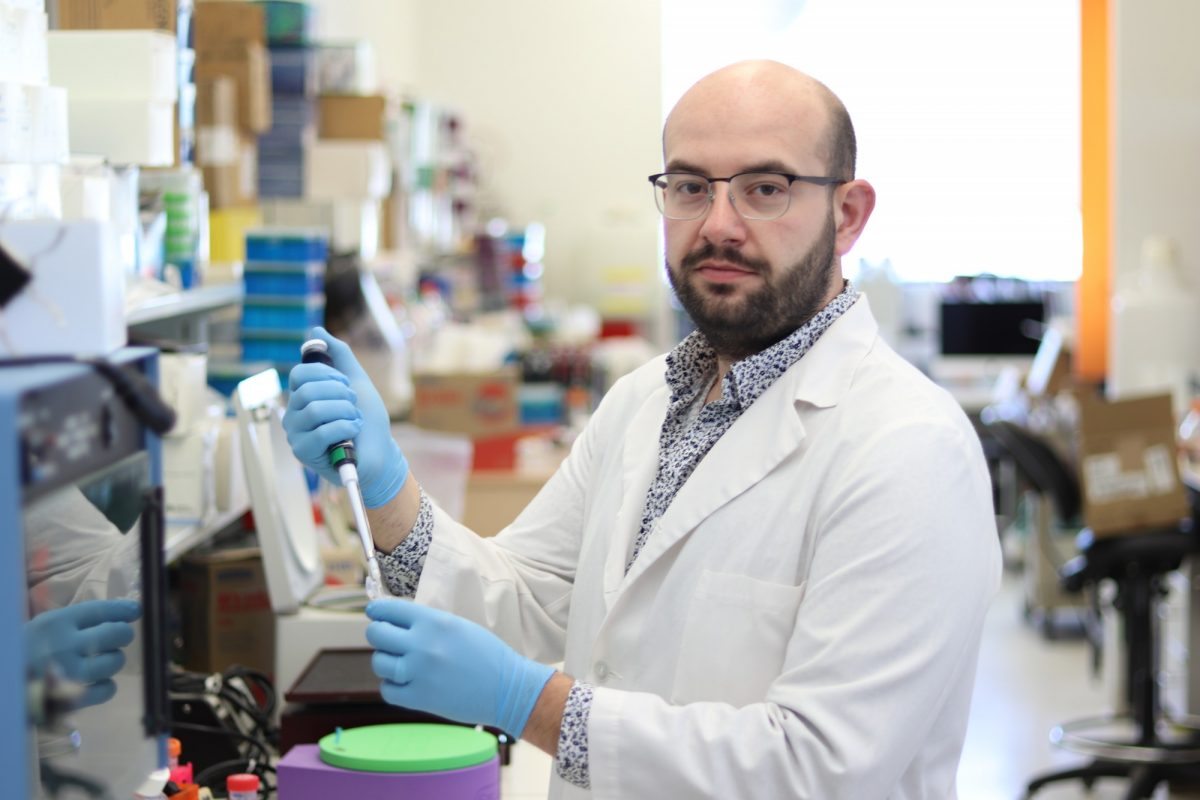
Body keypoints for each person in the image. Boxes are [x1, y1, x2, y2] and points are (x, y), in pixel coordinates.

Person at [284, 59, 1001, 799]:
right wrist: (386, 486)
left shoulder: (910, 450)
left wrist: (525, 702)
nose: (718, 225)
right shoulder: (642, 402)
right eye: (690, 187)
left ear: (847, 214)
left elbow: (816, 767)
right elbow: (528, 599)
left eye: (764, 188)